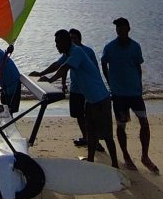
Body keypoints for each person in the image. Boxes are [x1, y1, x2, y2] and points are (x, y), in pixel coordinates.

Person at [38, 29, 118, 167]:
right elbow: (57, 65)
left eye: (57, 42)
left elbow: (64, 68)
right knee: (91, 133)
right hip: (90, 99)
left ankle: (115, 164)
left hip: (100, 98)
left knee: (107, 135)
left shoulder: (77, 52)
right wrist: (41, 73)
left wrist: (50, 80)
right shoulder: (68, 52)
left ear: (65, 42)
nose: (56, 45)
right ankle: (91, 160)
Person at [101, 17, 159, 173]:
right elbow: (103, 62)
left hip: (135, 94)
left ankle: (145, 156)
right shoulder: (110, 47)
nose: (119, 30)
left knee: (144, 123)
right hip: (119, 95)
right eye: (117, 28)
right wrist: (109, 82)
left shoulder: (135, 47)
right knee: (121, 125)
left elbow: (138, 67)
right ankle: (126, 156)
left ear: (128, 29)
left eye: (122, 27)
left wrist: (139, 86)